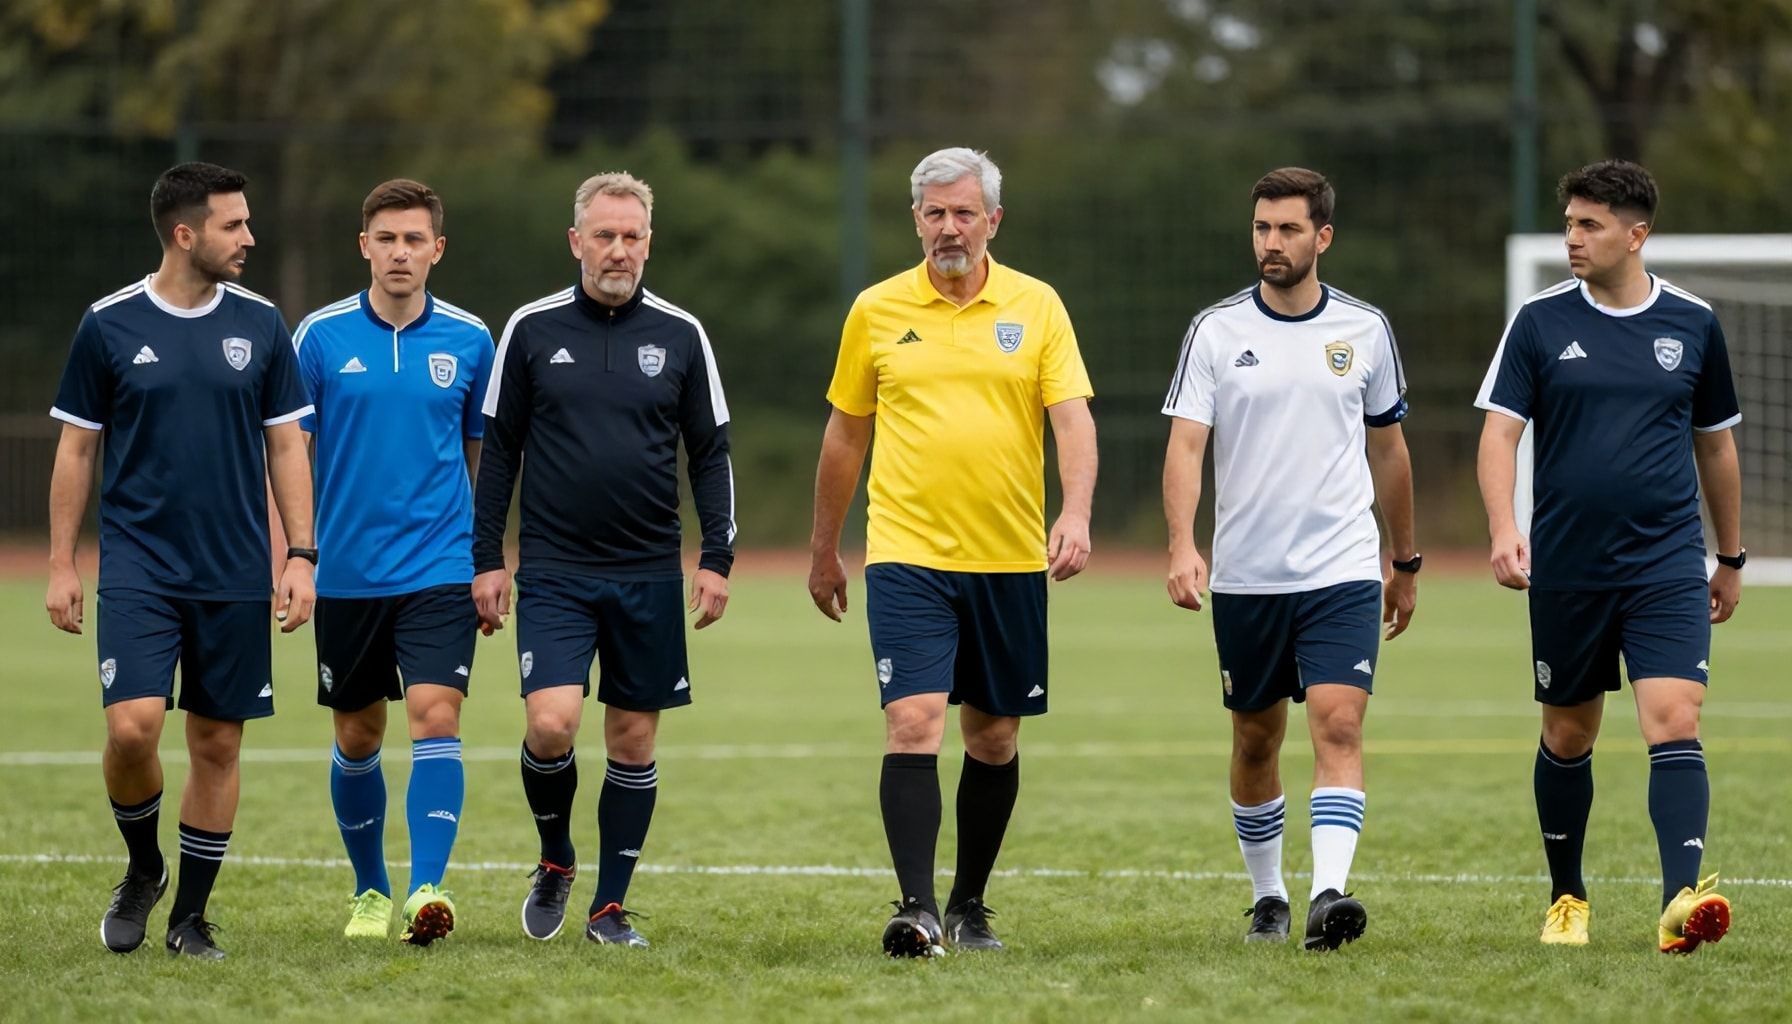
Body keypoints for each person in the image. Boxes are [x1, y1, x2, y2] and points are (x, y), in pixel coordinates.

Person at [809, 147, 1097, 958]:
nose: (949, 227)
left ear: (993, 220)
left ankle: (970, 906)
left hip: (1008, 560)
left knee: (994, 737)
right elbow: (845, 433)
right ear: (915, 221)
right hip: (906, 555)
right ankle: (917, 908)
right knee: (913, 722)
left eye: (963, 212)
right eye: (934, 213)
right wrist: (824, 549)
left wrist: (1074, 512)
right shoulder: (875, 309)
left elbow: (1072, 418)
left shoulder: (1037, 307)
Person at [45, 162, 316, 960]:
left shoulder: (263, 325)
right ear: (184, 232)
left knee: (217, 745)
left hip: (234, 569)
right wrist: (62, 562)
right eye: (234, 225)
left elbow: (286, 447)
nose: (249, 238)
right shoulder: (109, 323)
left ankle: (191, 918)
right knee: (132, 731)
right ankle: (143, 868)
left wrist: (299, 554)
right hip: (138, 565)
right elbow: (77, 447)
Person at [1475, 159, 1740, 953]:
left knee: (1675, 719)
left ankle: (1679, 903)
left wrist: (1730, 555)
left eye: (1589, 225)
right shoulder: (1540, 322)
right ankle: (1567, 897)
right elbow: (1498, 434)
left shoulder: (1693, 323)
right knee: (1568, 736)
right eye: (1568, 222)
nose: (1572, 238)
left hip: (1665, 567)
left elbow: (1716, 449)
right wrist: (1501, 526)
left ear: (1637, 234)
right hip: (1569, 567)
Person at [472, 171, 734, 949]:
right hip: (554, 569)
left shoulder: (683, 334)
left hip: (650, 570)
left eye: (632, 236)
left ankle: (609, 908)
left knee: (633, 742)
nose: (618, 250)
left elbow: (711, 453)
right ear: (576, 240)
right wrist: (487, 558)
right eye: (605, 235)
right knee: (551, 726)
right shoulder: (531, 328)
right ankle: (556, 860)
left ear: (648, 242)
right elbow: (498, 457)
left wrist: (715, 555)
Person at [1161, 167, 1417, 951]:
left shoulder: (1366, 331)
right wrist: (1182, 543)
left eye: (1289, 230)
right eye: (1263, 229)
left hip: (1340, 569)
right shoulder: (1215, 330)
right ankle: (1269, 896)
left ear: (1323, 237)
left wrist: (1403, 559)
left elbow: (1390, 451)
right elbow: (1186, 446)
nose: (1272, 244)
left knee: (1339, 725)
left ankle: (1329, 894)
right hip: (1247, 575)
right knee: (1255, 739)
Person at [292, 179, 494, 945]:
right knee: (359, 736)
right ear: (364, 246)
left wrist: (484, 560)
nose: (400, 252)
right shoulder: (320, 336)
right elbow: (290, 453)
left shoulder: (473, 340)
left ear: (437, 249)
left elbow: (487, 459)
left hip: (440, 567)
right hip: (347, 573)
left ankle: (426, 890)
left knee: (435, 716)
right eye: (387, 238)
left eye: (415, 240)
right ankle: (370, 890)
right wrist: (296, 557)